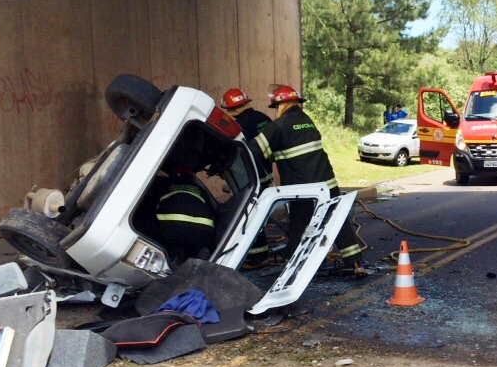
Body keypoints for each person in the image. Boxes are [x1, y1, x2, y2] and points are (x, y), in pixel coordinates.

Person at [251, 84, 366, 277]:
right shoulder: (307, 121)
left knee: (299, 224)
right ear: (296, 103)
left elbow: (254, 151)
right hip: (326, 183)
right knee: (337, 221)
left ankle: (293, 265)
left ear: (279, 104)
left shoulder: (278, 126)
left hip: (303, 189)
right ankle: (355, 263)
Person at [221, 88, 273, 265]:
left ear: (232, 109)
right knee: (259, 211)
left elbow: (237, 152)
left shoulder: (239, 125)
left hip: (250, 178)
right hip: (266, 173)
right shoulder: (263, 118)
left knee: (250, 214)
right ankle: (260, 254)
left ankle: (257, 256)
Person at [155, 162, 216, 264]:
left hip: (170, 227)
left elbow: (151, 206)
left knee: (169, 250)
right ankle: (198, 257)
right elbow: (211, 209)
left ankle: (170, 259)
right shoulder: (199, 189)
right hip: (202, 230)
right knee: (196, 249)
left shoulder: (164, 186)